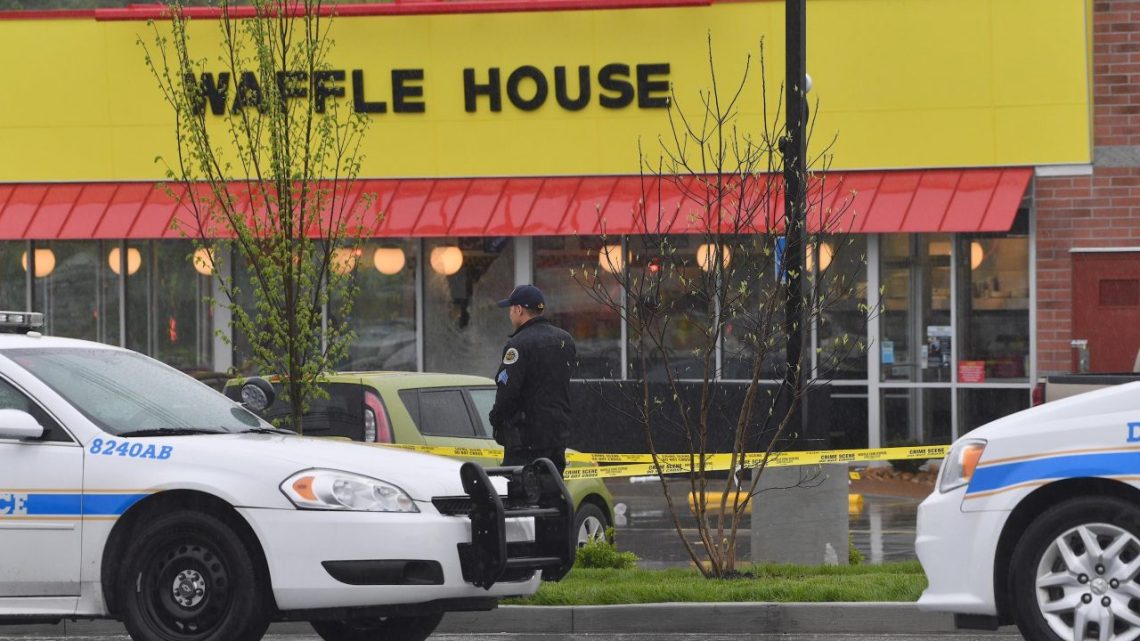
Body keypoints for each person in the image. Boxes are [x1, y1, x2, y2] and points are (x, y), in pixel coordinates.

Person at [489, 284, 576, 473]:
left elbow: (508, 392)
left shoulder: (518, 344)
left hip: (526, 438)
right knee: (553, 491)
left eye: (511, 309)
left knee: (523, 495)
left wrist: (496, 418)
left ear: (519, 309)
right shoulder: (565, 340)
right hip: (557, 435)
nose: (510, 314)